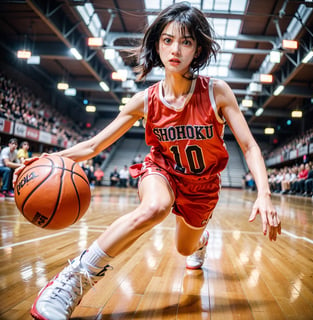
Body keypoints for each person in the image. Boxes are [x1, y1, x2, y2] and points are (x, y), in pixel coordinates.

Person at [15, 3, 281, 319]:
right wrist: (46, 158)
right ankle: (71, 281)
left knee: (184, 248)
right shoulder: (145, 100)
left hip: (202, 187)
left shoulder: (217, 92)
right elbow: (95, 144)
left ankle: (199, 242)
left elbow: (249, 146)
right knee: (155, 207)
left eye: (186, 41)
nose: (176, 49)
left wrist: (264, 195)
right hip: (162, 171)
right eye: (167, 40)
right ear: (157, 43)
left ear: (197, 49)